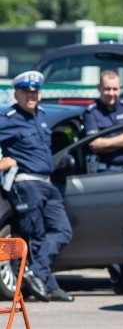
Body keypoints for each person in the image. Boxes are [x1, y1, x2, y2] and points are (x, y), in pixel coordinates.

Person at [0, 71, 74, 302]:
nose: (30, 95)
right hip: (26, 183)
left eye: (34, 91)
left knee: (63, 230)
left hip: (48, 183)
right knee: (37, 236)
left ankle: (35, 274)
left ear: (39, 94)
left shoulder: (42, 116)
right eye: (25, 92)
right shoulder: (8, 118)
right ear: (16, 94)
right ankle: (48, 285)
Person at [83, 70, 123, 293]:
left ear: (120, 89)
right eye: (107, 89)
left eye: (115, 89)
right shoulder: (91, 111)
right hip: (106, 174)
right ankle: (118, 279)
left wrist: (110, 140)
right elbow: (94, 145)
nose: (111, 93)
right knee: (109, 226)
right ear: (99, 88)